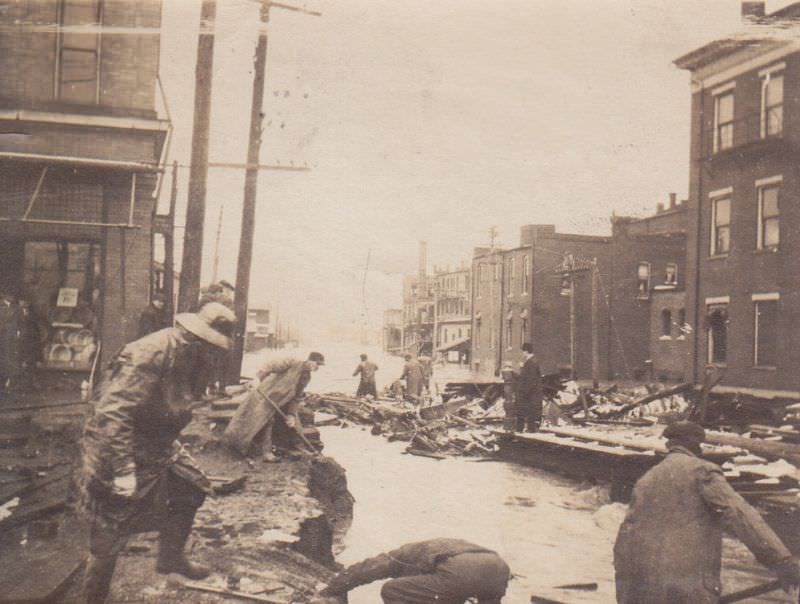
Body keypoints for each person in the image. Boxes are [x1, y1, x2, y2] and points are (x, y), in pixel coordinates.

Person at [78, 302, 236, 604]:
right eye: (212, 348)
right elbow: (113, 414)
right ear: (195, 338)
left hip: (156, 442)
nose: (215, 355)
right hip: (114, 442)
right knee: (111, 522)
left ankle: (171, 557)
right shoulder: (149, 353)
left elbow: (174, 403)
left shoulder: (194, 356)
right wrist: (124, 471)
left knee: (191, 487)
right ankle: (92, 597)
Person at [614, 421, 800, 604]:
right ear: (697, 445)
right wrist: (783, 563)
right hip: (685, 585)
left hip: (640, 585)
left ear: (669, 445)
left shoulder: (647, 479)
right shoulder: (703, 472)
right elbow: (741, 517)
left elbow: (626, 535)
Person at [320, 538, 510, 603]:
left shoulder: (402, 555)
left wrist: (332, 589)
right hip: (499, 567)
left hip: (461, 571)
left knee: (392, 589)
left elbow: (368, 569)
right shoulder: (435, 546)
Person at [222, 351, 324, 462]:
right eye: (317, 364)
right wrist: (258, 378)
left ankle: (300, 448)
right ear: (310, 360)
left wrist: (291, 414)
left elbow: (297, 397)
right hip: (267, 396)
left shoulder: (306, 377)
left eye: (319, 365)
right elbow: (270, 365)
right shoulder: (292, 362)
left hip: (284, 401)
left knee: (295, 425)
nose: (317, 367)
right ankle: (266, 452)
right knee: (265, 421)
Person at [515, 342, 543, 432]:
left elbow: (531, 379)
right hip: (530, 392)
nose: (522, 354)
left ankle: (526, 429)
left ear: (526, 351)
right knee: (529, 411)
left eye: (523, 351)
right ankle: (527, 429)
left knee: (526, 411)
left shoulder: (531, 362)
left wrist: (524, 392)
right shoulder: (531, 361)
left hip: (529, 392)